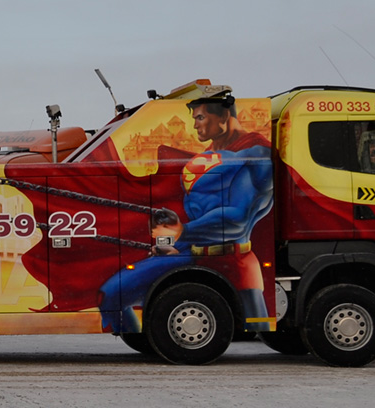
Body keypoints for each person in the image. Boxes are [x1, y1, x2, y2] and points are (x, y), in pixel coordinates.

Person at [99, 91, 274, 333]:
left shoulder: (253, 155)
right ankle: (138, 336)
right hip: (192, 255)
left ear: (224, 115)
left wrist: (182, 231)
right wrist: (174, 244)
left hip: (233, 261)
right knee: (112, 295)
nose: (194, 125)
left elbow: (238, 219)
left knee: (258, 324)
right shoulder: (213, 155)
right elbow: (200, 216)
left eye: (200, 117)